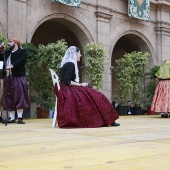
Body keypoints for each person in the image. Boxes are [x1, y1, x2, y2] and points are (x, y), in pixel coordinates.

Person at [54, 46, 120, 128]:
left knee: (92, 93)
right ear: (75, 54)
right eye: (79, 53)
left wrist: (81, 84)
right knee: (98, 96)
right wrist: (81, 85)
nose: (80, 55)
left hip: (65, 88)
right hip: (67, 89)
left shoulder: (67, 63)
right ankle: (109, 120)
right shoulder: (70, 64)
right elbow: (67, 81)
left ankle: (107, 119)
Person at [0, 38, 31, 124]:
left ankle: (20, 117)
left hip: (18, 77)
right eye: (8, 42)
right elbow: (1, 60)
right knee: (9, 97)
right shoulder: (6, 53)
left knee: (19, 96)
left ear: (16, 43)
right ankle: (11, 118)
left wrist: (12, 65)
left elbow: (22, 60)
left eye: (10, 42)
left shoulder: (22, 52)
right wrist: (0, 51)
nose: (8, 43)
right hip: (7, 77)